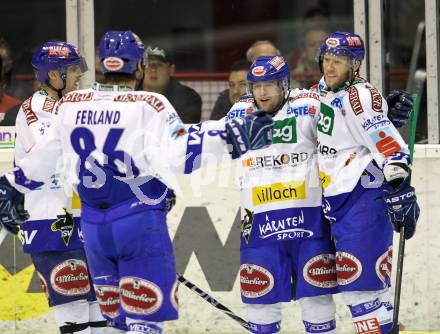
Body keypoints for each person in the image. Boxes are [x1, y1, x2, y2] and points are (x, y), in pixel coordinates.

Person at [0, 30, 272, 334]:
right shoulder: (150, 103)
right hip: (134, 220)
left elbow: (48, 155)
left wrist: (12, 184)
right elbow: (180, 151)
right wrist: (231, 137)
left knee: (111, 322)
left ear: (105, 65)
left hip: (93, 228)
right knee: (142, 322)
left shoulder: (73, 105)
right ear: (139, 66)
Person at [224, 54, 414, 334]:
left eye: (270, 84)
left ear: (285, 83)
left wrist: (382, 114)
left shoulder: (310, 104)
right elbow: (211, 146)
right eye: (256, 85)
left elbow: (346, 126)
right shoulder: (238, 113)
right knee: (260, 306)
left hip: (309, 220)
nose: (262, 92)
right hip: (259, 224)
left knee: (316, 300)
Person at [313, 32, 420, 334]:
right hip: (335, 201)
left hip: (363, 198)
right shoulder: (322, 89)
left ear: (355, 65)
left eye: (339, 62)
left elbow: (390, 146)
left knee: (362, 292)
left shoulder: (360, 95)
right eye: (327, 60)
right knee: (359, 292)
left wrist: (401, 186)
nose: (330, 67)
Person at [12, 41, 118, 334]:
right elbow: (53, 158)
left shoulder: (67, 105)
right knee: (73, 310)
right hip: (52, 222)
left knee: (100, 309)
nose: (78, 76)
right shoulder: (36, 109)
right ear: (53, 75)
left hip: (84, 218)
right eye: (72, 70)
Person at [142, 45, 202, 123]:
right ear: (140, 69)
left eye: (159, 65)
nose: (153, 70)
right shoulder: (130, 93)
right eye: (148, 65)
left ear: (171, 70)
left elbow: (182, 131)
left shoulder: (189, 98)